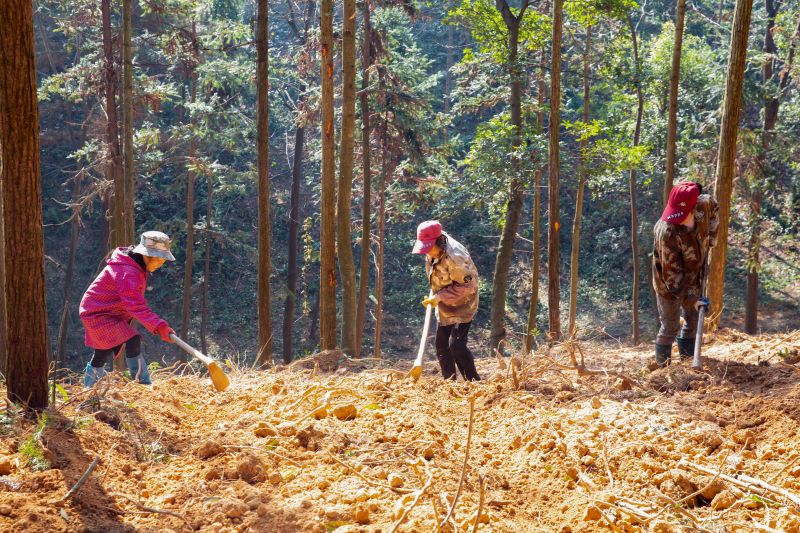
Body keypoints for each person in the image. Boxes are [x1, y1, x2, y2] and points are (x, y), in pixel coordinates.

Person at [79, 231, 177, 386]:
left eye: (163, 259)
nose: (160, 263)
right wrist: (159, 326)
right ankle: (143, 384)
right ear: (146, 254)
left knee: (103, 351)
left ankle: (89, 388)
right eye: (158, 258)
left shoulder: (134, 264)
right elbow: (135, 305)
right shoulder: (129, 272)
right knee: (132, 339)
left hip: (107, 310)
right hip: (97, 312)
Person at [652, 181, 718, 367]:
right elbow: (672, 277)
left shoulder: (703, 206)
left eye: (681, 215)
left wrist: (711, 237)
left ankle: (688, 363)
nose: (675, 218)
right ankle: (662, 371)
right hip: (668, 283)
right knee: (670, 326)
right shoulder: (667, 232)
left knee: (693, 318)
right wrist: (691, 299)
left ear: (693, 208)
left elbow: (714, 209)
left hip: (695, 274)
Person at [412, 220, 481, 381]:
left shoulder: (456, 257)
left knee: (456, 345)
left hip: (464, 302)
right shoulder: (433, 251)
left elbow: (468, 287)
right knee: (442, 346)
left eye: (430, 249)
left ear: (439, 242)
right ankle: (449, 383)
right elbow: (433, 270)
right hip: (444, 303)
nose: (428, 254)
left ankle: (473, 383)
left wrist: (440, 296)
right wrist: (436, 293)